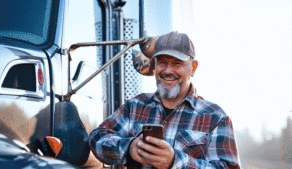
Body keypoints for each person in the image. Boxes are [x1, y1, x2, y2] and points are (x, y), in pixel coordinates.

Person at [89, 31, 240, 168]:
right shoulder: (135, 105)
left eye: (176, 63)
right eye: (162, 62)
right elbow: (97, 137)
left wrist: (175, 161)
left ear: (193, 68)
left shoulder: (216, 117)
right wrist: (129, 148)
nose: (167, 70)